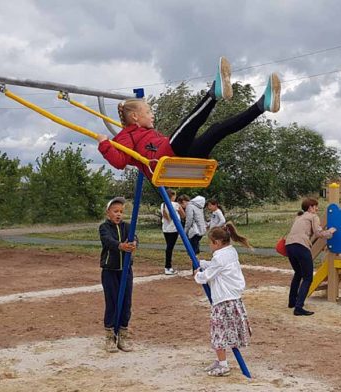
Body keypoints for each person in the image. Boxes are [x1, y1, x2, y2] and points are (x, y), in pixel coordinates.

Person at [96, 57, 281, 179]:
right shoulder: (125, 136)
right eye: (148, 111)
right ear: (135, 116)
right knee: (189, 124)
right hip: (163, 162)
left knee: (217, 129)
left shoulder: (150, 133)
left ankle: (261, 106)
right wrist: (104, 144)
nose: (152, 114)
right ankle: (213, 94)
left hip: (181, 159)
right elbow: (120, 162)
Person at [194, 223, 252, 377]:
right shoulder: (230, 251)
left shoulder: (219, 257)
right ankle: (220, 361)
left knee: (218, 332)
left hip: (223, 300)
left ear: (217, 243)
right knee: (223, 332)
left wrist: (197, 273)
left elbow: (206, 277)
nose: (209, 246)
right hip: (233, 298)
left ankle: (223, 365)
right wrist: (202, 263)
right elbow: (215, 266)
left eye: (210, 243)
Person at [99, 197, 138, 353]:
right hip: (110, 271)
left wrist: (134, 243)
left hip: (126, 270)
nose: (119, 214)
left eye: (121, 212)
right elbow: (108, 241)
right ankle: (110, 336)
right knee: (112, 303)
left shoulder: (127, 226)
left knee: (126, 303)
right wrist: (120, 246)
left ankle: (123, 335)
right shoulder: (104, 227)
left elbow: (134, 237)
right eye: (115, 211)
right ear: (108, 213)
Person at [285, 198, 336, 316]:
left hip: (289, 246)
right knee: (308, 277)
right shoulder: (313, 216)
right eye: (316, 206)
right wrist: (330, 232)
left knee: (298, 273)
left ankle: (292, 302)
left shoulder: (299, 217)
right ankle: (299, 307)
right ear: (310, 207)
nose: (317, 209)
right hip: (301, 246)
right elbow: (318, 233)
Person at [161, 188, 185, 275]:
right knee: (169, 248)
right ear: (172, 196)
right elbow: (183, 215)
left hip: (166, 229)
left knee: (169, 247)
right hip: (173, 229)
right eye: (174, 195)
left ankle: (168, 266)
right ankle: (168, 267)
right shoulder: (175, 204)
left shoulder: (162, 204)